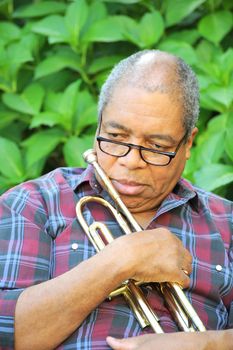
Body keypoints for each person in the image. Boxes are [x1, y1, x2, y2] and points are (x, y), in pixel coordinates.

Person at [0, 50, 232, 350]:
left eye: (157, 146)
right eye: (116, 137)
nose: (131, 161)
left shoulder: (226, 222)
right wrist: (121, 261)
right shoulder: (32, 204)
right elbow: (7, 334)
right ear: (98, 125)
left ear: (188, 143)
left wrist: (207, 344)